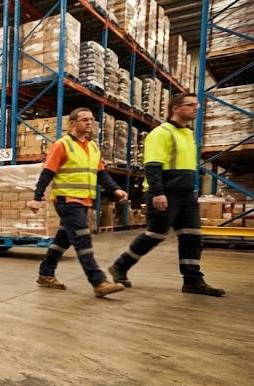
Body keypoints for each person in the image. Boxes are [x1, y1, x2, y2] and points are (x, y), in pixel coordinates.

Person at [108, 93, 225, 296]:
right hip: (165, 193)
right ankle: (120, 266)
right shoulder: (160, 133)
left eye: (196, 105)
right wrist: (157, 193)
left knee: (192, 237)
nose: (195, 108)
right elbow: (152, 166)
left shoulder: (187, 134)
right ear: (176, 108)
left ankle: (192, 281)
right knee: (156, 234)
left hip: (187, 194)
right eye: (190, 105)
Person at [27, 107, 129, 297]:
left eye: (91, 120)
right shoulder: (62, 145)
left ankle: (45, 273)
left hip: (84, 201)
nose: (89, 123)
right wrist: (36, 198)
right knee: (82, 239)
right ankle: (98, 281)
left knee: (62, 240)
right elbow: (47, 173)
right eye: (84, 120)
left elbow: (101, 174)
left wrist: (115, 190)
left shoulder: (92, 147)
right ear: (72, 123)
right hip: (67, 201)